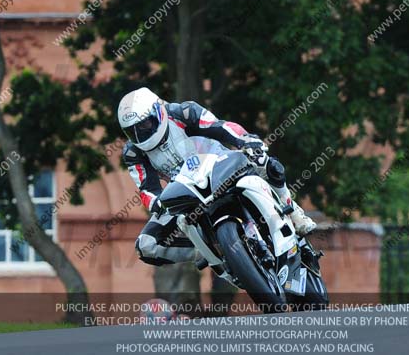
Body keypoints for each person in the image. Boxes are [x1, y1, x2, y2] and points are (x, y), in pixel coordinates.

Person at [118, 87, 317, 266]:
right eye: (132, 131)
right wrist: (157, 203)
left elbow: (221, 127)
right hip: (185, 191)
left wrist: (246, 141)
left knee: (264, 161)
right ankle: (207, 251)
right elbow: (147, 189)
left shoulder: (184, 112)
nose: (140, 134)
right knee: (146, 245)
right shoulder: (133, 152)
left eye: (144, 125)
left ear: (158, 111)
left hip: (221, 165)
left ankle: (290, 207)